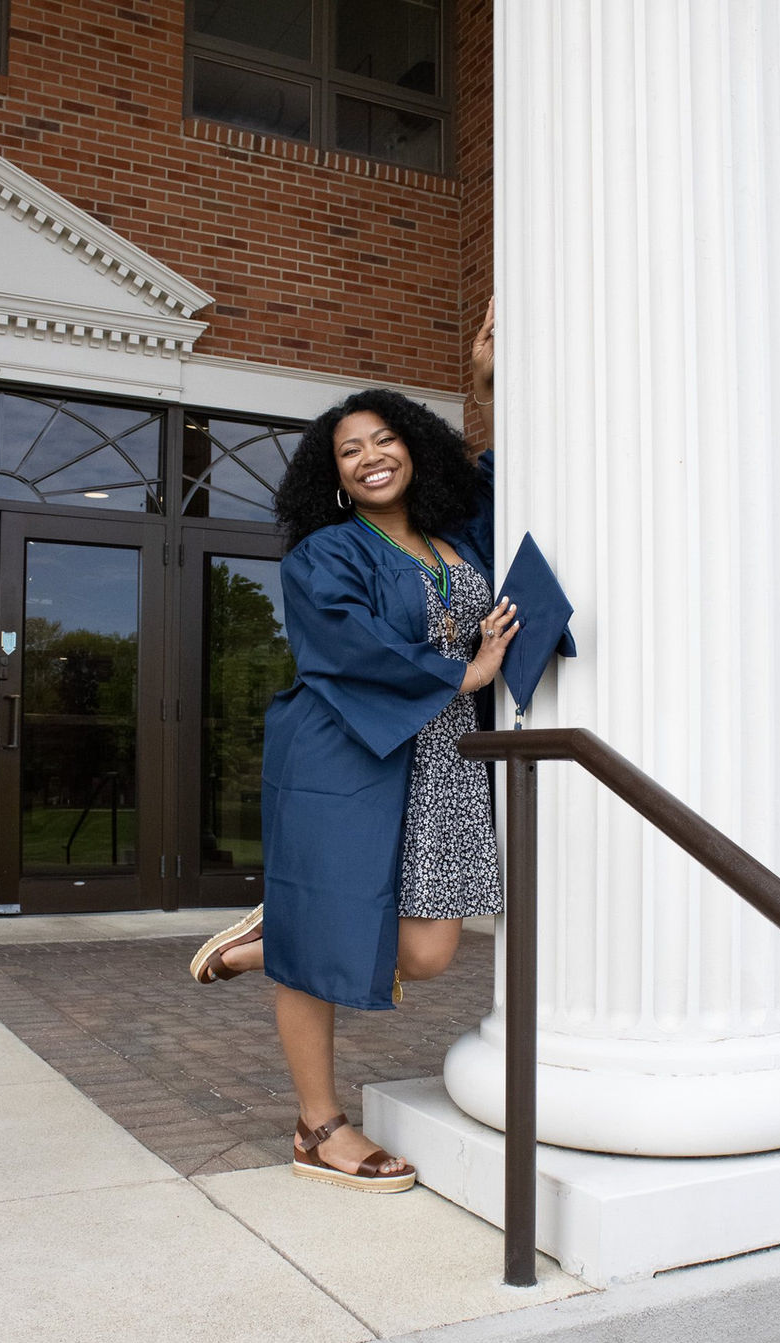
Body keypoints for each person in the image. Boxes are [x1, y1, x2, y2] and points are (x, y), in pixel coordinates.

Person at [189, 301, 517, 1192]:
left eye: (384, 439)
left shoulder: (456, 536)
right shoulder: (325, 554)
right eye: (348, 450)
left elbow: (504, 477)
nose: (370, 456)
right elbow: (342, 643)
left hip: (444, 765)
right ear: (331, 474)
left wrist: (484, 388)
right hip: (348, 758)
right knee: (324, 950)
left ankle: (278, 933)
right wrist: (462, 673)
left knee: (430, 955)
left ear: (413, 448)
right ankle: (318, 1127)